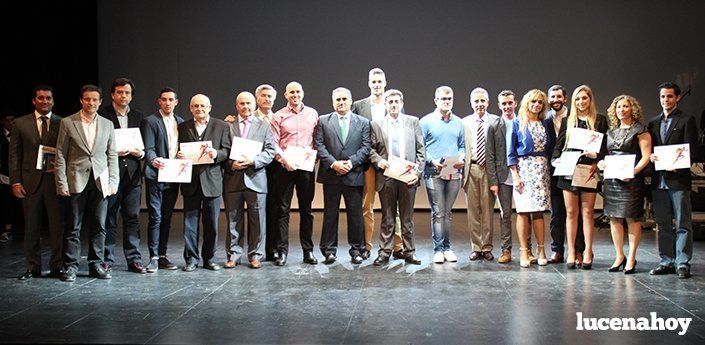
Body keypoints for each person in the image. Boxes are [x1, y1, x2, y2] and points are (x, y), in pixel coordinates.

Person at [55, 85, 118, 282]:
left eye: (95, 100)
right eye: (87, 99)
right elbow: (60, 154)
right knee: (73, 226)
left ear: (100, 102)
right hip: (76, 180)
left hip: (100, 181)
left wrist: (113, 180)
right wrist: (61, 182)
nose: (91, 103)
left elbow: (112, 154)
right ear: (81, 101)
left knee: (99, 225)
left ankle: (96, 264)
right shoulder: (68, 122)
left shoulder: (107, 124)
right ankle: (71, 266)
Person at [9, 85, 65, 279]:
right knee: (31, 227)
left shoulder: (62, 123)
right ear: (34, 100)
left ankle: (57, 265)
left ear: (53, 101)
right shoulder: (20, 123)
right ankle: (33, 267)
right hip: (30, 183)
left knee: (57, 227)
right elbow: (14, 155)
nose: (45, 101)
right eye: (41, 98)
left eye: (48, 98)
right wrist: (15, 182)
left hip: (54, 181)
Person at [552, 85, 608, 270]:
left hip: (588, 170)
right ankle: (570, 252)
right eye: (577, 99)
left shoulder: (599, 120)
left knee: (588, 213)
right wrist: (556, 161)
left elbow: (605, 147)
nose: (581, 102)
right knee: (570, 213)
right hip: (569, 170)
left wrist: (597, 159)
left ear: (590, 99)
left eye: (584, 98)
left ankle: (587, 251)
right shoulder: (569, 121)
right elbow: (559, 147)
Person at [351, 68, 404, 259]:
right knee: (367, 206)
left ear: (385, 82)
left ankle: (397, 246)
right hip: (367, 163)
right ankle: (366, 246)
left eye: (379, 81)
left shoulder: (393, 103)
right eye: (373, 81)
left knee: (393, 207)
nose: (376, 84)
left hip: (390, 164)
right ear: (368, 83)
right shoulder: (358, 105)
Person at [647, 82, 699, 279]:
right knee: (663, 224)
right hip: (659, 181)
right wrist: (651, 157)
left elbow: (691, 151)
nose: (665, 100)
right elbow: (650, 150)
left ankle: (682, 262)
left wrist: (679, 164)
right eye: (662, 97)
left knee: (683, 223)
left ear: (677, 98)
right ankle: (666, 261)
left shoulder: (687, 120)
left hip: (678, 180)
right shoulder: (653, 122)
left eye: (669, 96)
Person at [315, 87, 371, 264]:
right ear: (333, 102)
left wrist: (351, 163)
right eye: (338, 99)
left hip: (353, 174)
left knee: (355, 215)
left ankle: (356, 250)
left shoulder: (362, 122)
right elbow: (320, 145)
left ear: (350, 101)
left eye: (344, 99)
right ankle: (329, 250)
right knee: (330, 214)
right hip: (331, 174)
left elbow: (366, 147)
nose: (341, 102)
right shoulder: (323, 121)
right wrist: (334, 163)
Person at [369, 89, 423, 265]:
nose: (393, 105)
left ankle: (409, 251)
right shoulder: (377, 124)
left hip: (408, 177)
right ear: (385, 104)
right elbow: (370, 149)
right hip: (387, 176)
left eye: (396, 102)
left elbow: (421, 150)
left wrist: (417, 172)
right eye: (390, 102)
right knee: (388, 216)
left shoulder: (412, 122)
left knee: (407, 218)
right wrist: (379, 161)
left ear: (401, 103)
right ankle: (385, 251)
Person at [177, 94, 231, 272]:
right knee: (190, 224)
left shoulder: (221, 126)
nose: (199, 109)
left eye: (203, 106)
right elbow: (176, 149)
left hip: (212, 182)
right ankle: (191, 259)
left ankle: (209, 258)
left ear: (209, 107)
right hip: (191, 182)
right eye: (195, 106)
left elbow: (227, 151)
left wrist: (216, 154)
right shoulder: (183, 127)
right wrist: (179, 156)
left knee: (212, 225)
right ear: (191, 108)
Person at [99, 78, 146, 273]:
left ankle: (134, 259)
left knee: (132, 217)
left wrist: (140, 153)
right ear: (112, 95)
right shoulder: (103, 116)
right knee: (109, 217)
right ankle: (107, 259)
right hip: (111, 174)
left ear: (131, 96)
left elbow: (144, 147)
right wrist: (112, 152)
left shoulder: (138, 116)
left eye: (127, 93)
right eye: (119, 92)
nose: (123, 96)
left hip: (133, 175)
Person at [223, 91, 274, 269]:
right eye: (242, 104)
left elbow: (270, 152)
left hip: (256, 178)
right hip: (233, 179)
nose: (245, 107)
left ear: (254, 105)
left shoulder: (265, 126)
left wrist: (254, 161)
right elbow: (223, 151)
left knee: (258, 221)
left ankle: (256, 255)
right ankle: (233, 255)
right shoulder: (227, 125)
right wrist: (231, 164)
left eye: (248, 103)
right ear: (237, 106)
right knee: (233, 220)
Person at [600, 95, 651, 274]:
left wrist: (632, 172)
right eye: (618, 107)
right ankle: (619, 255)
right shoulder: (610, 132)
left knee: (632, 218)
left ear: (633, 109)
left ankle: (631, 257)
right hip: (613, 181)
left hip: (631, 181)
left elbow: (646, 156)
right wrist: (602, 164)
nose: (621, 110)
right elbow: (607, 155)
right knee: (614, 218)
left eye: (625, 106)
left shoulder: (640, 130)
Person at [270, 82, 319, 266]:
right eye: (291, 92)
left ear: (303, 93)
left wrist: (313, 156)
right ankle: (282, 252)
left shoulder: (312, 114)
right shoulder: (278, 116)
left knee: (306, 210)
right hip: (285, 168)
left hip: (305, 168)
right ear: (285, 95)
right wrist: (284, 160)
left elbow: (317, 140)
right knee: (283, 211)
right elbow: (274, 143)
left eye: (298, 91)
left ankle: (308, 251)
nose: (295, 94)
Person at [507, 89, 555, 267]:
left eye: (540, 102)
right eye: (533, 101)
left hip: (541, 170)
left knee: (538, 211)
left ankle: (541, 249)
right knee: (523, 211)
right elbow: (510, 152)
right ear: (527, 103)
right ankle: (524, 251)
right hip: (524, 169)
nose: (536, 105)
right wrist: (515, 175)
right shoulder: (517, 123)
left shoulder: (545, 123)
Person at [420, 86, 465, 264]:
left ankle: (447, 248)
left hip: (453, 172)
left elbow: (462, 146)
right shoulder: (426, 121)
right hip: (433, 172)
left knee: (447, 212)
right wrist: (432, 161)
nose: (447, 101)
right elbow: (420, 147)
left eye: (450, 98)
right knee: (438, 213)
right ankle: (438, 249)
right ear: (436, 100)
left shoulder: (459, 122)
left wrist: (461, 158)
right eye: (443, 98)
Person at [141, 87, 184, 272]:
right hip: (156, 175)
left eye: (171, 100)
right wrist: (153, 159)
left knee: (166, 217)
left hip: (174, 175)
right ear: (159, 101)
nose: (167, 103)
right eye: (164, 99)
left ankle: (163, 255)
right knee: (155, 217)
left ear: (176, 102)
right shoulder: (150, 121)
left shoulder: (180, 122)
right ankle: (153, 257)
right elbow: (148, 147)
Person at [545, 85, 584, 264]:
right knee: (556, 213)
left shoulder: (575, 118)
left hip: (574, 171)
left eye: (559, 96)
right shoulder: (545, 120)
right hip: (553, 172)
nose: (555, 100)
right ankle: (557, 250)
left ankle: (578, 250)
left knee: (577, 213)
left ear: (565, 99)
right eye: (552, 97)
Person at [462, 88, 498, 261]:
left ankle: (487, 246)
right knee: (473, 210)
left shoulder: (495, 121)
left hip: (488, 170)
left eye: (482, 101)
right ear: (471, 103)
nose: (479, 104)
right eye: (476, 101)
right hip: (472, 168)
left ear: (488, 102)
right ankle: (476, 246)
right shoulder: (465, 122)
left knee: (488, 209)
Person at [487, 90, 517, 263]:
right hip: (503, 176)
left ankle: (527, 250)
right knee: (505, 214)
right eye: (503, 104)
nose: (507, 106)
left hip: (522, 174)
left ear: (515, 103)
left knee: (525, 213)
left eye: (510, 103)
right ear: (499, 106)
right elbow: (490, 156)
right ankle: (506, 250)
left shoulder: (523, 122)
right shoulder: (494, 126)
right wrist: (493, 181)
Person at [1, 114, 23, 243]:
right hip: (4, 174)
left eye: (12, 120)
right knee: (6, 202)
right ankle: (7, 230)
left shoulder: (20, 133)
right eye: (7, 120)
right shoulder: (2, 137)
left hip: (22, 173)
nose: (10, 122)